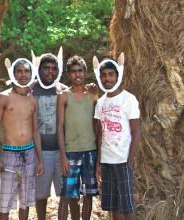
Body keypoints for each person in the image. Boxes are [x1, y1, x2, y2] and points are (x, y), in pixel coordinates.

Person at [0, 58, 44, 220]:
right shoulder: (3, 97)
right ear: (13, 74)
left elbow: (35, 131)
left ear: (31, 73)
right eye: (19, 71)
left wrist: (40, 159)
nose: (23, 75)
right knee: (5, 201)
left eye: (27, 71)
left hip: (28, 153)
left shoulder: (33, 100)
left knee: (25, 201)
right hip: (9, 153)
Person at [93, 54, 140, 220]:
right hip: (106, 161)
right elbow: (100, 134)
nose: (107, 78)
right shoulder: (101, 102)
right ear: (100, 78)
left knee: (127, 206)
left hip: (123, 161)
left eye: (111, 74)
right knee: (113, 207)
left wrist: (130, 159)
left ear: (117, 76)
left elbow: (136, 131)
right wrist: (99, 161)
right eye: (104, 75)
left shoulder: (129, 99)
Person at [57, 55, 99, 220]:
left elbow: (97, 123)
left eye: (80, 70)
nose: (77, 75)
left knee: (88, 194)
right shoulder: (64, 96)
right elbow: (60, 126)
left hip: (90, 150)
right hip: (71, 151)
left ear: (86, 72)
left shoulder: (93, 94)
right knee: (70, 195)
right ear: (68, 74)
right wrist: (62, 155)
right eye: (73, 72)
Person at [31, 52, 67, 220]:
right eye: (46, 68)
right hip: (40, 152)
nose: (50, 72)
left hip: (62, 152)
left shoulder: (63, 90)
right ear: (39, 69)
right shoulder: (30, 90)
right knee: (41, 194)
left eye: (54, 69)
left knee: (65, 193)